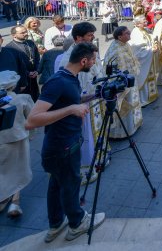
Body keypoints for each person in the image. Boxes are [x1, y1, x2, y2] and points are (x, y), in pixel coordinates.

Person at [25, 43, 106, 243]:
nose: (95, 63)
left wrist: (96, 95)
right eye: (93, 60)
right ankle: (77, 224)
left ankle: (55, 225)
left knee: (56, 184)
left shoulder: (70, 77)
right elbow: (32, 121)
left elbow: (72, 100)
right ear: (83, 61)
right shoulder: (58, 81)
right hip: (62, 146)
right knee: (70, 184)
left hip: (64, 143)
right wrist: (71, 110)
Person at [57, 22, 105, 183]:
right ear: (78, 38)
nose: (93, 38)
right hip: (80, 104)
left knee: (95, 134)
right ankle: (85, 168)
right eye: (90, 35)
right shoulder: (67, 59)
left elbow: (98, 71)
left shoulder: (90, 51)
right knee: (85, 136)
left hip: (95, 100)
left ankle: (97, 160)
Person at [0, 71, 34, 218]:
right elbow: (32, 120)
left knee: (3, 171)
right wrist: (31, 136)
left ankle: (2, 200)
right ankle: (15, 202)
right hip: (18, 139)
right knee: (18, 169)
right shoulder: (23, 99)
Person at [103, 27, 143, 139]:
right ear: (119, 37)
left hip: (130, 80)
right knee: (125, 104)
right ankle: (123, 132)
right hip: (123, 85)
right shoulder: (116, 50)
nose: (130, 34)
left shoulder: (125, 44)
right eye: (127, 33)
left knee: (133, 102)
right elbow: (115, 71)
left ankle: (133, 126)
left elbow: (132, 60)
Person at [130, 15, 159, 106]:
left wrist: (154, 42)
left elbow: (150, 37)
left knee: (150, 76)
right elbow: (139, 50)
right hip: (143, 61)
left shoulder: (143, 30)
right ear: (138, 24)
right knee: (144, 77)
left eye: (146, 21)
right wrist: (151, 49)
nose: (146, 22)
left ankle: (151, 95)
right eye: (144, 21)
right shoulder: (136, 32)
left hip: (148, 59)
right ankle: (144, 98)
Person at [6, 25, 41, 101]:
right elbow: (14, 66)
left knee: (35, 97)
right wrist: (27, 73)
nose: (26, 34)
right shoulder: (9, 48)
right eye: (22, 33)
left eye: (26, 31)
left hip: (34, 76)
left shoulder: (30, 42)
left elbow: (37, 58)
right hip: (22, 80)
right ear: (14, 35)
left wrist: (37, 70)